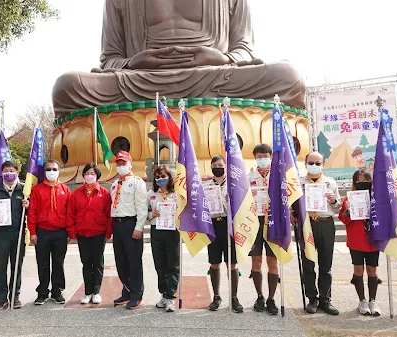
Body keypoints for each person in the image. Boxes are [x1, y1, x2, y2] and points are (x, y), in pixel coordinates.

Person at [52, 0, 305, 116]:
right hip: (141, 80)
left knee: (288, 77)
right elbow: (110, 58)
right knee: (67, 86)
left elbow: (244, 49)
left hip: (214, 76)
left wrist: (222, 58)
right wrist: (131, 63)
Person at [0, 162, 29, 310]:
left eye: (12, 170)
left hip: (18, 233)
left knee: (17, 266)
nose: (9, 173)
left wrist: (28, 205)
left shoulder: (25, 190)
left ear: (17, 172)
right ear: (1, 173)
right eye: (6, 171)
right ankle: (1, 299)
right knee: (0, 266)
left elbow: (32, 212)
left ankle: (15, 296)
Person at [299, 151, 341, 315]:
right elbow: (292, 204)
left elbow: (337, 206)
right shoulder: (299, 182)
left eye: (318, 163)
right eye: (311, 163)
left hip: (326, 224)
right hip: (307, 225)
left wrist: (333, 200)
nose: (314, 166)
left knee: (326, 265)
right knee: (308, 263)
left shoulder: (330, 182)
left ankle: (325, 299)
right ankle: (312, 298)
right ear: (305, 163)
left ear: (323, 164)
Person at [66, 163, 113, 305]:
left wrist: (108, 233)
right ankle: (87, 292)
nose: (89, 176)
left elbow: (109, 214)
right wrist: (72, 232)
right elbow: (70, 214)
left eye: (92, 173)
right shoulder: (76, 194)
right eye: (87, 173)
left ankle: (96, 292)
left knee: (98, 263)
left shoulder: (104, 193)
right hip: (83, 233)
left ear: (97, 176)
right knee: (86, 262)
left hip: (99, 232)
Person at [28, 160, 71, 305]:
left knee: (59, 262)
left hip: (60, 231)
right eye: (48, 169)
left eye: (54, 169)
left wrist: (70, 232)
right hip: (42, 232)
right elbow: (32, 212)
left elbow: (69, 212)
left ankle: (57, 291)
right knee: (42, 262)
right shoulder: (37, 190)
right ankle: (42, 292)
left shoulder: (65, 189)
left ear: (59, 171)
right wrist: (33, 232)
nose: (51, 171)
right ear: (44, 172)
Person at [338, 169, 381, 316]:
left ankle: (373, 300)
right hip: (356, 240)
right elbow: (343, 219)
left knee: (372, 271)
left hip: (372, 241)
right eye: (358, 180)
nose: (362, 183)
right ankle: (362, 300)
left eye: (365, 180)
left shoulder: (376, 198)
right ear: (354, 182)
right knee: (358, 270)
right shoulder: (347, 199)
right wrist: (348, 210)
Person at [204, 155, 242, 312]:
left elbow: (243, 204)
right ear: (211, 167)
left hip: (229, 225)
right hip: (213, 225)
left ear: (225, 167)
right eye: (215, 165)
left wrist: (232, 200)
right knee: (214, 262)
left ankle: (234, 297)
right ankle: (217, 296)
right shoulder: (205, 186)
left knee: (231, 263)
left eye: (221, 165)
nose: (218, 167)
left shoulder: (234, 185)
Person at [110, 151, 147, 310]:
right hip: (117, 224)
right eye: (118, 163)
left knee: (134, 262)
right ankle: (126, 290)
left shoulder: (137, 182)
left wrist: (138, 228)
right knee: (121, 261)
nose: (120, 166)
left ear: (130, 163)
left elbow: (142, 207)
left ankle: (136, 295)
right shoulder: (114, 183)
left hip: (130, 223)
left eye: (123, 163)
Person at [247, 144, 279, 315]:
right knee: (256, 261)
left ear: (271, 156)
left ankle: (271, 298)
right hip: (255, 222)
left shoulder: (277, 176)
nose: (262, 159)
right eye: (259, 156)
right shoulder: (249, 177)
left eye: (265, 156)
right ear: (255, 158)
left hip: (273, 221)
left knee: (272, 261)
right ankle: (259, 296)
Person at [147, 165, 179, 313]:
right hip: (157, 230)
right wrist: (152, 214)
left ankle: (171, 297)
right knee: (160, 264)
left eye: (163, 176)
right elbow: (144, 212)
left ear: (169, 177)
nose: (161, 179)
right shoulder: (151, 194)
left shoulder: (176, 194)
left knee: (172, 265)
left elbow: (183, 211)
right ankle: (163, 294)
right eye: (158, 177)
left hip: (172, 231)